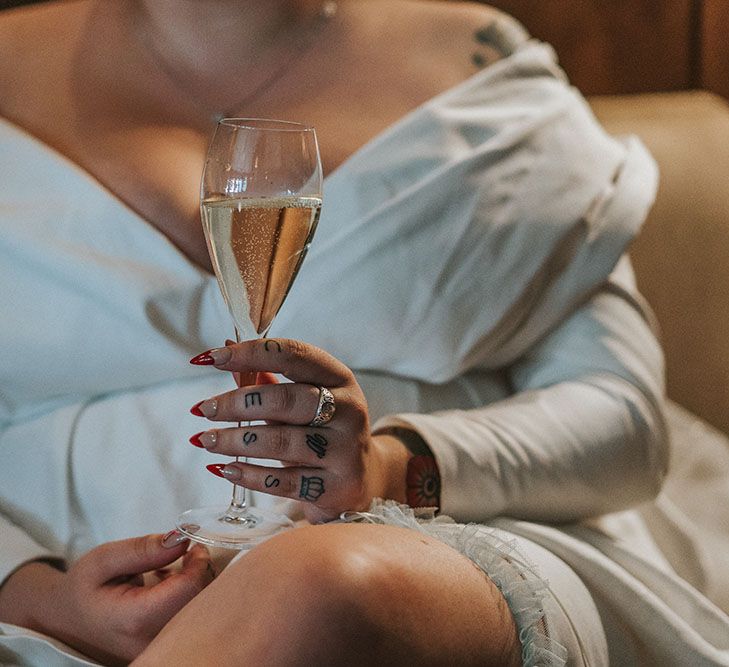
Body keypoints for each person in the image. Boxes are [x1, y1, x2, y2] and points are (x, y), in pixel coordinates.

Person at [0, 0, 728, 665]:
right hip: (53, 583)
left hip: (442, 550)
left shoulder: (480, 66)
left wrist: (385, 469)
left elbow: (622, 417)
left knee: (315, 585)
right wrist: (33, 592)